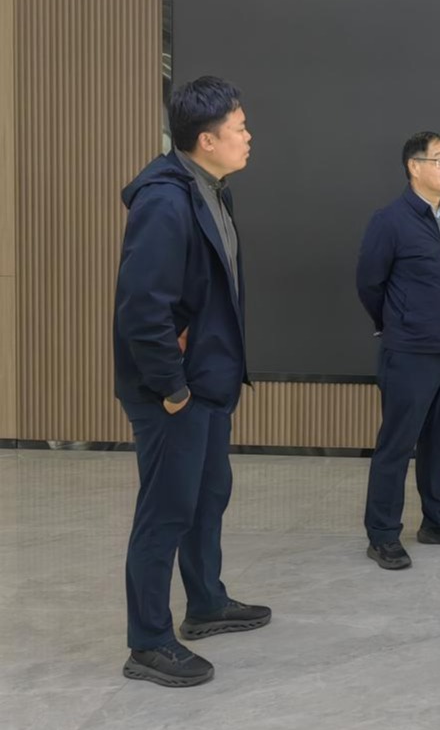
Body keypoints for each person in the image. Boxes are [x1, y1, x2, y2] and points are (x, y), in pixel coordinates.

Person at [113, 76, 271, 688]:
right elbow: (143, 309)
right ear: (207, 140)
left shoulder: (212, 191)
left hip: (207, 384)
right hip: (174, 392)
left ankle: (205, 603)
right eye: (240, 128)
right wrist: (172, 388)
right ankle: (148, 642)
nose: (248, 137)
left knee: (207, 497)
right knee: (166, 511)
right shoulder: (165, 201)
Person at [356, 131, 440, 570]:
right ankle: (383, 534)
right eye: (439, 160)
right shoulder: (390, 220)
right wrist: (395, 324)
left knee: (438, 442)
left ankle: (437, 520)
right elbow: (369, 283)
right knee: (397, 444)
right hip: (408, 351)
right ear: (414, 167)